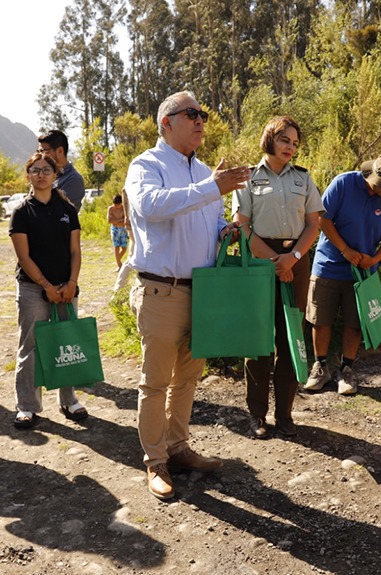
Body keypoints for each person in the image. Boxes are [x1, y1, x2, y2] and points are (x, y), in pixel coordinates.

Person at [124, 90, 252, 500]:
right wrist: (211, 187)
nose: (200, 121)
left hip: (203, 291)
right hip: (162, 290)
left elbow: (209, 219)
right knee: (156, 382)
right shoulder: (147, 164)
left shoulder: (201, 171)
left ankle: (178, 449)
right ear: (166, 122)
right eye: (191, 114)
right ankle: (155, 461)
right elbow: (151, 206)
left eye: (203, 115)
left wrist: (225, 230)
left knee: (188, 379)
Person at [232, 116, 324, 439]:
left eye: (295, 143)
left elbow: (314, 224)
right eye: (286, 140)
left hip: (296, 261)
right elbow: (243, 226)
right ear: (270, 138)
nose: (291, 147)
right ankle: (257, 414)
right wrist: (274, 260)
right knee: (258, 339)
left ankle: (285, 414)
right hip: (261, 260)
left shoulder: (303, 178)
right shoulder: (248, 179)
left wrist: (292, 258)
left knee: (290, 338)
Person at [302, 153, 381, 395]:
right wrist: (345, 250)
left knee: (356, 322)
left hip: (363, 272)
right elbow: (322, 219)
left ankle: (346, 370)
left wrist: (375, 259)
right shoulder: (343, 183)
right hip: (328, 264)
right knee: (320, 319)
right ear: (371, 176)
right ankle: (320, 367)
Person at [8, 152, 88, 429]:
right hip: (33, 288)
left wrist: (72, 283)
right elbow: (24, 257)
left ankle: (69, 400)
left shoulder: (67, 210)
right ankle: (27, 406)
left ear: (55, 175)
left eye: (46, 170)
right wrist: (45, 286)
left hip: (67, 287)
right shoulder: (22, 212)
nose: (41, 174)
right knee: (30, 345)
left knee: (66, 343)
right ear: (28, 175)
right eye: (35, 170)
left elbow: (75, 250)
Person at [37, 130, 86, 210]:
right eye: (38, 152)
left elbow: (53, 212)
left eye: (43, 151)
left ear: (60, 151)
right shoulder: (46, 175)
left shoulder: (74, 180)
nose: (40, 156)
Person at [112, 189, 135, 291]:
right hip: (132, 225)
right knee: (131, 256)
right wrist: (126, 217)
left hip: (131, 224)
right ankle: (118, 289)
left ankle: (119, 288)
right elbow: (124, 191)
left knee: (128, 252)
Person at [107, 194, 129, 270]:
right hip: (115, 229)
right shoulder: (111, 209)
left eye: (118, 204)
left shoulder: (124, 209)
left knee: (124, 248)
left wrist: (117, 221)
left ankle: (118, 260)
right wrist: (120, 220)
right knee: (116, 246)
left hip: (123, 229)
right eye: (115, 204)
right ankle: (119, 265)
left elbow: (126, 221)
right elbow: (109, 221)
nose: (116, 205)